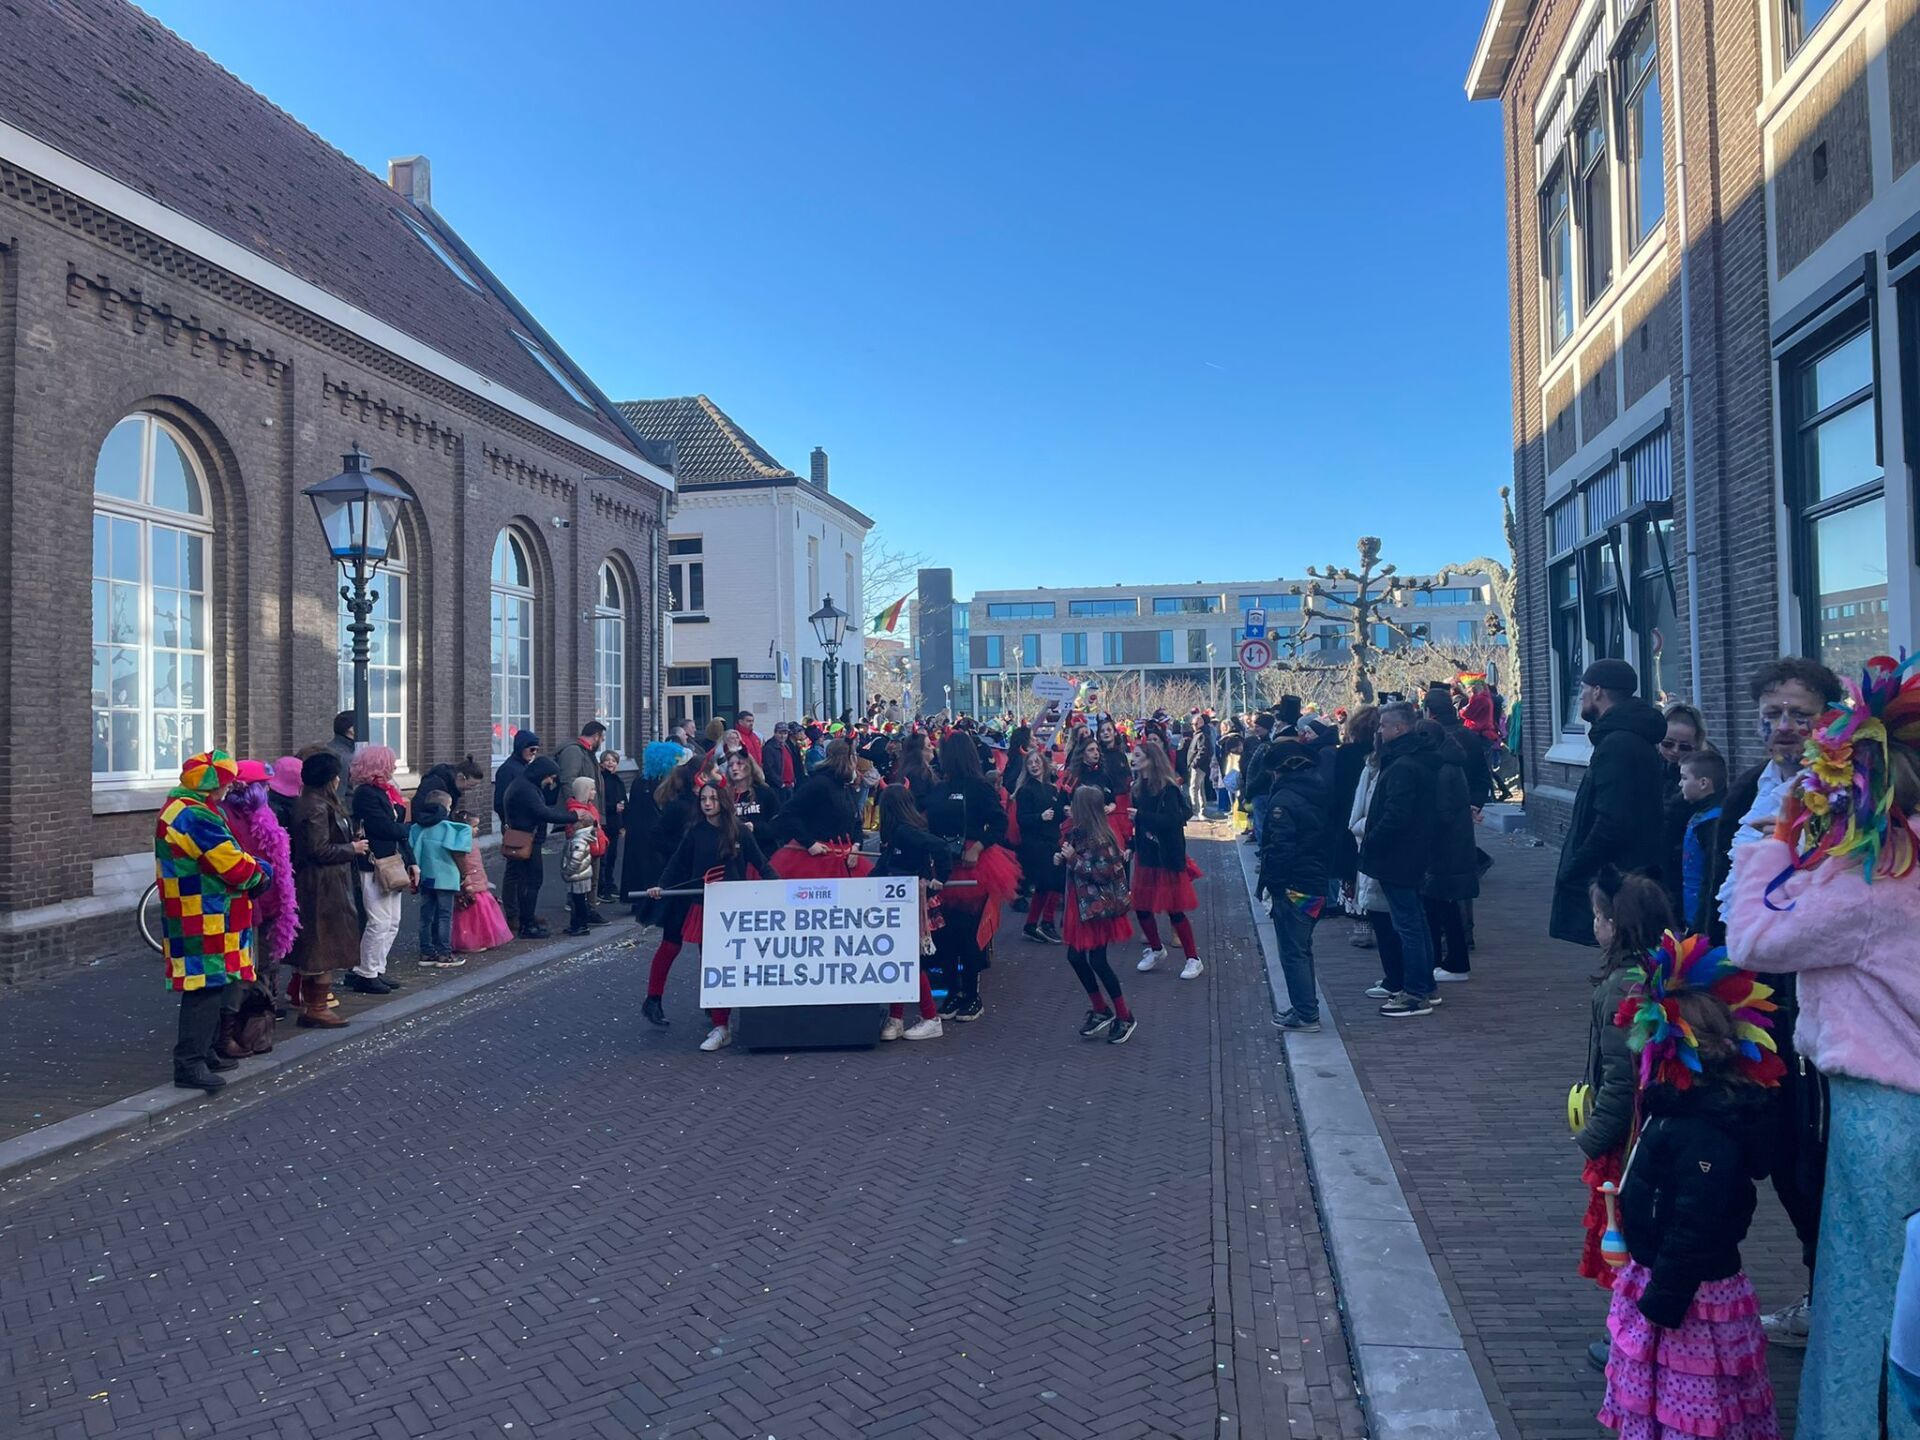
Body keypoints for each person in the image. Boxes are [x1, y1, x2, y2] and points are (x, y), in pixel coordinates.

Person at [1728, 653, 1920, 1438]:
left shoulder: (1872, 878)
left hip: (1883, 1110)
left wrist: (1775, 839)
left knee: (1866, 1289)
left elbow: (1753, 938)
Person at [1702, 656, 1845, 1344]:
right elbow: (1716, 894)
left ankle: (1835, 1298)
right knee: (1768, 1149)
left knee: (1813, 1153)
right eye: (1772, 715)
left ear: (1828, 723)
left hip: (1811, 1000)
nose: (1784, 727)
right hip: (1747, 997)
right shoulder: (1747, 791)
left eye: (1799, 715)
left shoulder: (1841, 800)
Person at [1597, 933, 1783, 1440]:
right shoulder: (1677, 1110)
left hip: (1687, 1292)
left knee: (1694, 1399)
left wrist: (1665, 1294)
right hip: (1663, 1276)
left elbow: (1696, 1221)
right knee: (1666, 1393)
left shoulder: (1702, 1131)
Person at [1573, 872, 1673, 1369]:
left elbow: (1620, 1078)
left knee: (1625, 1236)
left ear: (1616, 924)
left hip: (1630, 1138)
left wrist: (1591, 1138)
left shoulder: (1622, 987)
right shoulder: (1661, 969)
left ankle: (1629, 1337)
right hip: (1655, 1130)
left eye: (1598, 916)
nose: (1594, 925)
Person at [155, 752, 269, 1091]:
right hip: (204, 913)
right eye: (226, 782)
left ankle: (205, 1052)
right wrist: (260, 873)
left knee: (215, 982)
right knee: (203, 986)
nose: (229, 788)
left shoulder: (185, 808)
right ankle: (190, 1063)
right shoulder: (195, 816)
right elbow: (231, 864)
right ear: (212, 785)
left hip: (204, 910)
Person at [644, 782, 774, 1052]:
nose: (707, 803)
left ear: (722, 801)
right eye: (703, 799)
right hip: (705, 906)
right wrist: (661, 886)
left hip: (735, 907)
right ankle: (721, 1025)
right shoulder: (695, 832)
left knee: (735, 962)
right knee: (712, 964)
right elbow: (677, 863)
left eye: (713, 799)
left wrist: (781, 888)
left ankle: (744, 1014)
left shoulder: (738, 831)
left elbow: (761, 863)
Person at [1548, 660, 1668, 947]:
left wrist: (1574, 867)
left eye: (1583, 689)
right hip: (1630, 875)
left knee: (1622, 956)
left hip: (1619, 881)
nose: (1581, 696)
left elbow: (1613, 821)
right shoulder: (1632, 740)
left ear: (1597, 691)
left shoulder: (1616, 746)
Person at [925, 733, 1019, 1021]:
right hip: (944, 867)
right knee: (945, 934)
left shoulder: (979, 788)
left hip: (973, 867)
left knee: (968, 934)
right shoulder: (939, 789)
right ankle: (953, 992)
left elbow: (1000, 822)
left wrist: (978, 846)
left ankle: (971, 994)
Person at [1359, 702, 1441, 1018]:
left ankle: (1416, 993)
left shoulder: (1403, 766)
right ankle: (1425, 986)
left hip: (1398, 856)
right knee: (1415, 921)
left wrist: (1372, 840)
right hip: (1411, 853)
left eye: (1383, 726)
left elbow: (1396, 814)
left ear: (1399, 728)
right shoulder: (1416, 760)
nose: (1379, 731)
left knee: (1407, 924)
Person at [220, 760, 298, 1036]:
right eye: (263, 786)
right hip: (249, 900)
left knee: (268, 959)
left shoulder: (265, 814)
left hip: (271, 898)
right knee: (251, 963)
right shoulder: (228, 818)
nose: (267, 791)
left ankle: (264, 1010)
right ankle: (246, 1020)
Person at [287, 752, 364, 1029]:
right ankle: (317, 1007)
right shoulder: (316, 807)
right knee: (322, 946)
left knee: (321, 946)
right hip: (321, 886)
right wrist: (351, 848)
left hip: (327, 883)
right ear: (330, 779)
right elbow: (317, 849)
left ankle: (313, 1005)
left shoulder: (315, 803)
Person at [1056, 784, 1138, 1044]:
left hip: (1096, 908)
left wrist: (1073, 860)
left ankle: (1124, 1015)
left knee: (1097, 961)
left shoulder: (1102, 838)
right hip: (1082, 907)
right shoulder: (1079, 833)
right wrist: (1063, 859)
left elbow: (1105, 873)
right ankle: (1101, 1008)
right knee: (1077, 957)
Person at [1260, 739, 1330, 1031]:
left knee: (1293, 951)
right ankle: (1305, 1006)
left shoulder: (1283, 800)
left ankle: (1305, 1012)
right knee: (1302, 947)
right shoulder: (1319, 793)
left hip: (1293, 885)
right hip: (1315, 880)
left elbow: (1280, 847)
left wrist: (1274, 884)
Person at [873, 786, 949, 1042]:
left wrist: (940, 878)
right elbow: (884, 865)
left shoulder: (904, 833)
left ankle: (930, 1017)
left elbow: (940, 847)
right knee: (900, 958)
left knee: (909, 960)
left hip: (911, 904)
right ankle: (897, 1018)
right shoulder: (900, 832)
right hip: (902, 903)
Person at [1129, 737, 1204, 979]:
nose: (1133, 759)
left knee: (1174, 909)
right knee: (1142, 906)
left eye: (1138, 756)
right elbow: (1139, 825)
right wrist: (1131, 845)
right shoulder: (1137, 787)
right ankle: (1156, 948)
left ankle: (1193, 958)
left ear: (1151, 760)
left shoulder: (1168, 789)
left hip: (1166, 856)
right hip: (1146, 854)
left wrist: (1141, 816)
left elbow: (1172, 821)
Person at [347, 745, 417, 994]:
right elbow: (385, 828)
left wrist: (411, 859)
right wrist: (406, 828)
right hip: (374, 863)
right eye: (390, 763)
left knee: (393, 921)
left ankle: (377, 968)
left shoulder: (386, 791)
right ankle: (366, 972)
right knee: (378, 921)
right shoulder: (366, 794)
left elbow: (396, 827)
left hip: (392, 861)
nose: (394, 767)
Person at [1421, 718, 1481, 982]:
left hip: (1445, 850)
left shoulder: (1443, 770)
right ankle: (1444, 961)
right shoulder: (1449, 764)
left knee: (1442, 906)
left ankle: (1455, 964)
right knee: (1441, 906)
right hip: (1451, 848)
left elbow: (1442, 813)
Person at [501, 755, 573, 938]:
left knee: (526, 880)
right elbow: (543, 812)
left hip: (526, 838)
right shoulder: (527, 789)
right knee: (531, 881)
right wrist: (572, 817)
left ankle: (527, 919)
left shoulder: (523, 785)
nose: (550, 782)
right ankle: (527, 924)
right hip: (528, 840)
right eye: (550, 777)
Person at [622, 742, 684, 924]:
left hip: (638, 831)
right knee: (654, 867)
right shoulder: (666, 784)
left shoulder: (639, 781)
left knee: (638, 866)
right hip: (655, 830)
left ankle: (638, 900)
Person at [1655, 703, 1709, 912]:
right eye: (1668, 744)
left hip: (1684, 866)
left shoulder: (1706, 774)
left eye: (1684, 747)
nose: (1675, 751)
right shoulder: (1649, 765)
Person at [408, 789, 470, 964]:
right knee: (444, 915)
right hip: (446, 877)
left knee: (426, 915)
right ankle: (444, 953)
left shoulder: (416, 828)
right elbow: (459, 854)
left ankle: (426, 952)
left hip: (425, 876)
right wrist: (464, 874)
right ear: (445, 807)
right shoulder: (452, 829)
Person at [1012, 748, 1066, 944]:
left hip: (1052, 840)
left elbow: (1057, 816)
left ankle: (1033, 924)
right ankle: (1046, 923)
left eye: (1036, 762)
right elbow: (1021, 819)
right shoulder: (1025, 791)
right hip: (1036, 844)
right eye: (1030, 763)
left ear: (1043, 763)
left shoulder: (1051, 789)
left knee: (1051, 883)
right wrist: (1039, 817)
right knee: (1049, 882)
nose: (1034, 766)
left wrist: (1064, 812)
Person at [448, 793, 508, 958]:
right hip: (471, 881)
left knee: (481, 913)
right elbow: (465, 863)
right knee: (472, 915)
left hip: (478, 880)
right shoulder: (463, 843)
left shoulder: (471, 842)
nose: (477, 829)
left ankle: (481, 939)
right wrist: (467, 881)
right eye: (474, 826)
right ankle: (471, 941)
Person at [492, 729, 540, 930]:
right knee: (514, 871)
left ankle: (525, 911)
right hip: (515, 827)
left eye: (536, 750)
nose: (533, 753)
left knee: (527, 873)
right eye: (531, 749)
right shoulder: (508, 770)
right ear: (521, 747)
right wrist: (509, 822)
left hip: (528, 827)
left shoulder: (526, 768)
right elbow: (500, 801)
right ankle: (513, 913)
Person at [1676, 748, 1727, 930]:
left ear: (1703, 783)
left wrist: (1702, 923)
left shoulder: (1713, 822)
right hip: (1692, 907)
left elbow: (1713, 874)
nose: (1680, 784)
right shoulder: (1701, 814)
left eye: (1684, 778)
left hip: (1706, 915)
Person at [562, 777, 604, 936]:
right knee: (578, 898)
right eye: (591, 789)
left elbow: (574, 858)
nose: (594, 792)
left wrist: (567, 871)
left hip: (579, 870)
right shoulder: (578, 812)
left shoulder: (580, 839)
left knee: (578, 899)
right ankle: (579, 922)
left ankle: (580, 924)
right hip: (584, 865)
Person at [722, 749, 783, 842]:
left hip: (763, 845)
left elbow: (778, 825)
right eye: (730, 765)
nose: (734, 768)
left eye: (739, 763)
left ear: (749, 765)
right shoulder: (725, 795)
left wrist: (754, 827)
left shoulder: (765, 792)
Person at [596, 751, 627, 903]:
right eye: (607, 760)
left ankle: (610, 883)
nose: (610, 763)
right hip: (605, 822)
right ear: (602, 763)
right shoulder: (601, 780)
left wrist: (623, 824)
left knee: (612, 856)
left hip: (615, 823)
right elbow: (600, 802)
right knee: (604, 857)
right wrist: (613, 807)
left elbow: (624, 800)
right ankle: (601, 887)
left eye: (613, 760)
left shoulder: (618, 780)